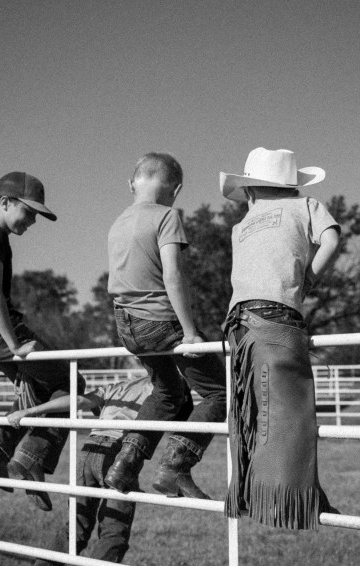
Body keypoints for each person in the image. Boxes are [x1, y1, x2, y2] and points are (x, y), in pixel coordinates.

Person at [220, 147, 340, 529]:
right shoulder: (305, 206)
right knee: (292, 411)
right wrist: (307, 279)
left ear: (251, 191)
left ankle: (253, 491)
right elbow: (332, 240)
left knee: (251, 411)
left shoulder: (241, 227)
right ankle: (297, 497)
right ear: (291, 187)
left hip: (238, 323)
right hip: (277, 315)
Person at [0, 171, 85, 511]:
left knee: (41, 388)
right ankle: (29, 459)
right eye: (28, 212)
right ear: (5, 202)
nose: (31, 221)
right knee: (74, 384)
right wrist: (13, 345)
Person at [103, 153, 226, 500]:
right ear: (177, 188)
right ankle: (175, 468)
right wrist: (190, 331)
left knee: (169, 393)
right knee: (221, 391)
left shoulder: (118, 222)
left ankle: (125, 465)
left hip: (127, 326)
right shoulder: (167, 215)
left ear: (131, 184)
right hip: (160, 321)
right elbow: (172, 274)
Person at [7, 376, 181, 565]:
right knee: (114, 532)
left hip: (89, 450)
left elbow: (79, 400)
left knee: (76, 527)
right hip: (120, 453)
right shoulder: (164, 386)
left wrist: (30, 411)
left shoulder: (120, 386)